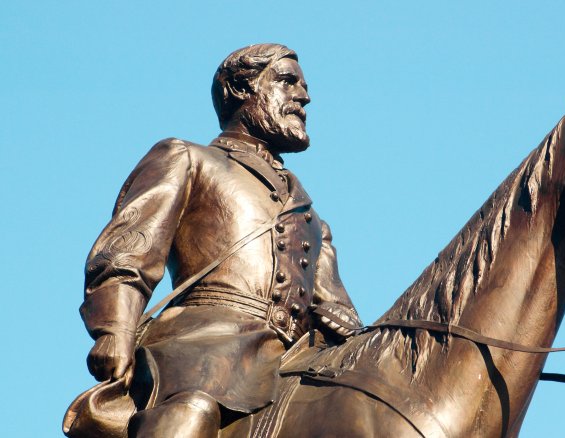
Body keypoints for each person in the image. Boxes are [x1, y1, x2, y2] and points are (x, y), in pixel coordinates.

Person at [78, 43, 362, 437]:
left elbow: (337, 308)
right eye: (286, 81)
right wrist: (116, 330)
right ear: (241, 90)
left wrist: (351, 332)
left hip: (289, 359)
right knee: (191, 413)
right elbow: (128, 251)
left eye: (303, 85)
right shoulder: (187, 158)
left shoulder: (311, 217)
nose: (303, 95)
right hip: (204, 345)